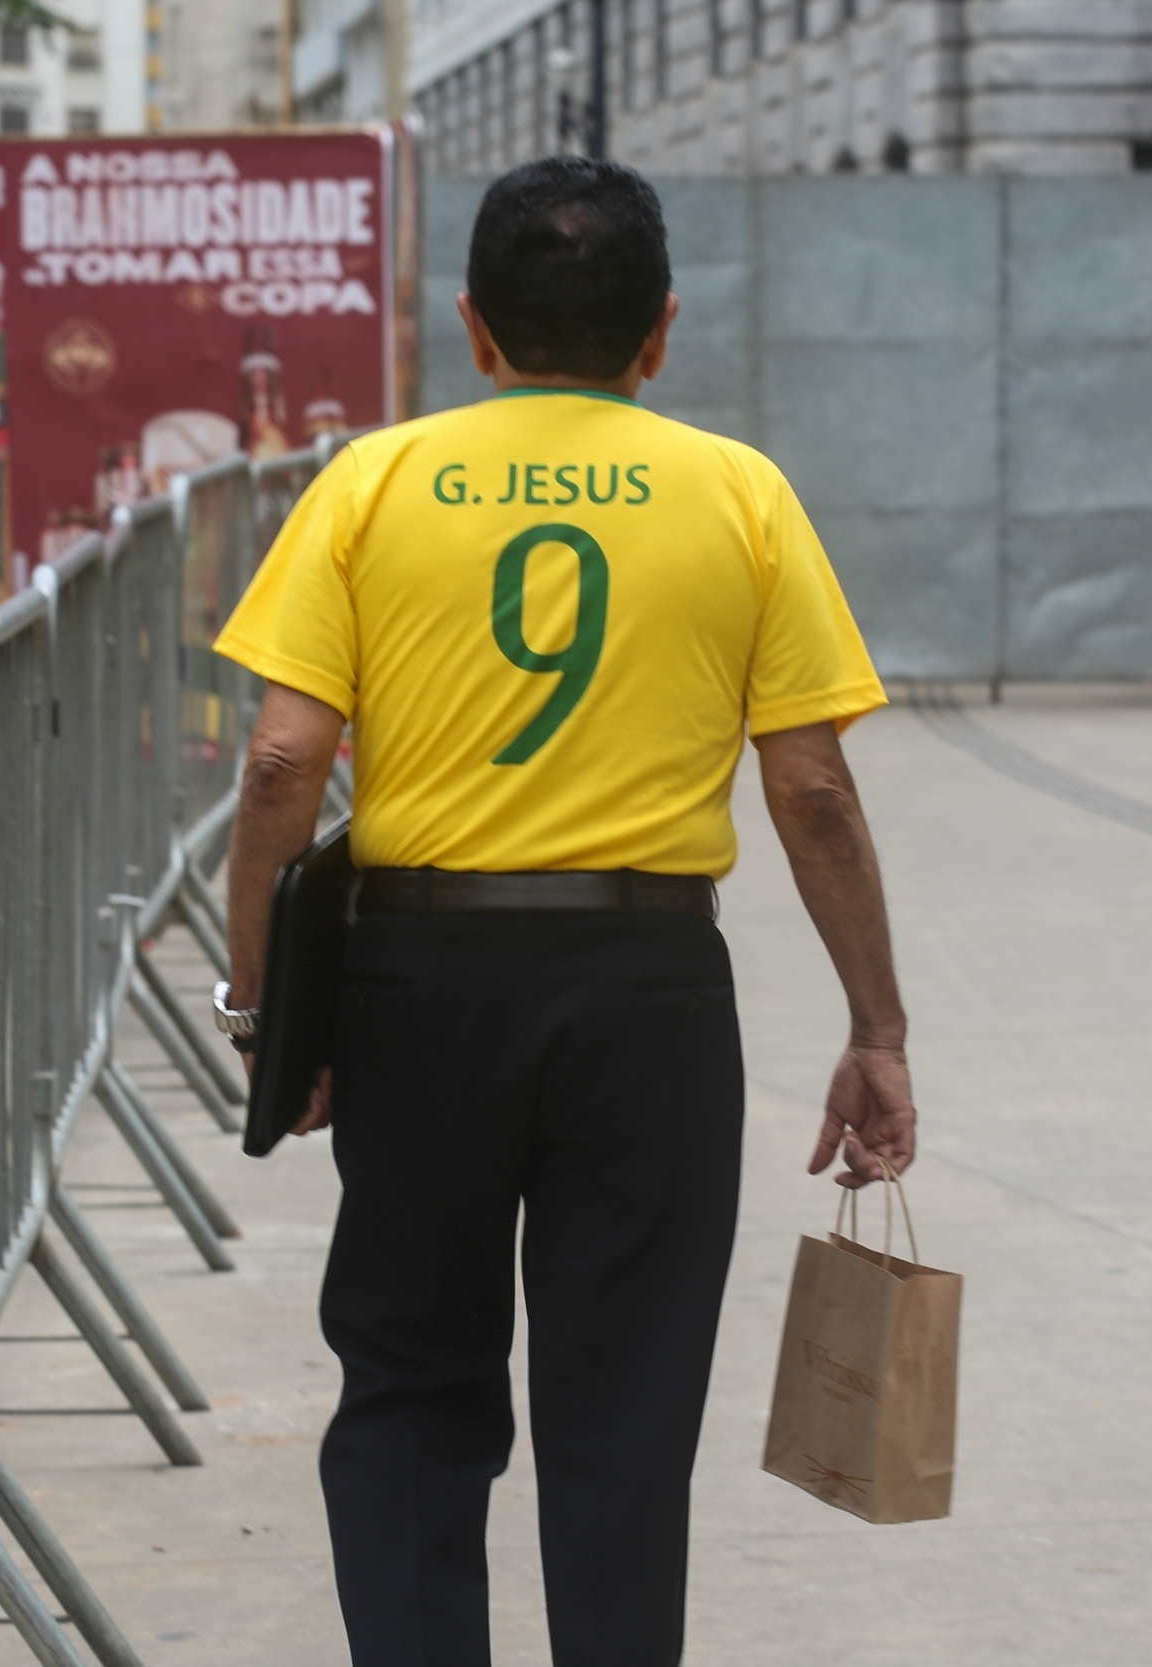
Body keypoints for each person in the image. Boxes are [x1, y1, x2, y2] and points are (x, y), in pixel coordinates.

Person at [213, 157, 916, 1667]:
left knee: (408, 1377)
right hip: (646, 987)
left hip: (417, 977)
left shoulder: (371, 482)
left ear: (474, 326)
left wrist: (272, 1006)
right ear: (659, 331)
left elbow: (281, 763)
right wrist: (876, 1022)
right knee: (623, 1407)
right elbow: (811, 793)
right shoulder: (740, 492)